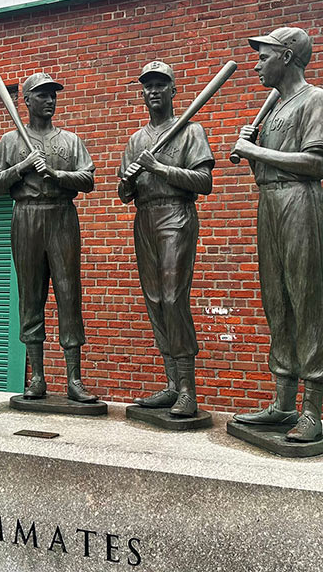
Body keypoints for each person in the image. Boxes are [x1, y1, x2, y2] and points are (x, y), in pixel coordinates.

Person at [231, 27, 323, 442]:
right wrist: (254, 154)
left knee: (306, 301)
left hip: (301, 203)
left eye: (263, 56)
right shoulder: (273, 108)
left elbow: (315, 164)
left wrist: (254, 151)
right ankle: (282, 403)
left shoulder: (314, 99)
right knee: (276, 300)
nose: (256, 64)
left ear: (286, 57)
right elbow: (268, 168)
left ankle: (312, 410)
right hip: (269, 202)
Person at [0, 72, 97, 402]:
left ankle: (74, 379)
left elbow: (88, 180)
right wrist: (22, 167)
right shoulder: (11, 141)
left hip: (61, 214)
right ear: (27, 100)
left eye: (53, 95)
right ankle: (36, 377)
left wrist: (56, 174)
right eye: (42, 95)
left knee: (68, 294)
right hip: (26, 215)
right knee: (31, 296)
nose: (50, 100)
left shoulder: (70, 141)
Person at [118, 61, 214, 418]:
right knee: (155, 299)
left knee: (174, 298)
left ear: (173, 90)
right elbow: (123, 194)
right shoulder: (136, 140)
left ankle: (188, 389)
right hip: (144, 216)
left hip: (177, 215)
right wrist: (128, 181)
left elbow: (204, 183)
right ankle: (172, 384)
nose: (154, 91)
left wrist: (158, 168)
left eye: (161, 85)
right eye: (148, 86)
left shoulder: (191, 131)